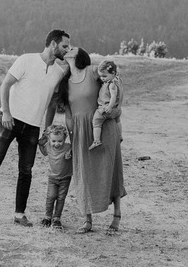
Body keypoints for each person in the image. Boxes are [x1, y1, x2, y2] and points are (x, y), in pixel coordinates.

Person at [0, 29, 71, 227]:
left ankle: (19, 214)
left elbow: (52, 103)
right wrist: (7, 113)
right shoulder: (26, 60)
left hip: (33, 127)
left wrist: (47, 130)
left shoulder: (59, 72)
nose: (67, 50)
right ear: (53, 44)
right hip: (9, 120)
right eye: (64, 46)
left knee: (26, 170)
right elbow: (5, 85)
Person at [45, 47, 126, 235]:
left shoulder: (92, 71)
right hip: (80, 130)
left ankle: (117, 216)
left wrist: (116, 109)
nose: (68, 49)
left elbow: (114, 76)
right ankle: (87, 219)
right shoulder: (64, 82)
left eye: (71, 48)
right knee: (84, 173)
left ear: (78, 55)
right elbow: (68, 115)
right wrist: (71, 138)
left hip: (103, 125)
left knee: (110, 169)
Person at [37, 124, 72, 231]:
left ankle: (57, 218)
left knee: (61, 198)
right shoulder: (48, 146)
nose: (57, 144)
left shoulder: (68, 147)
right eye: (54, 141)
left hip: (65, 178)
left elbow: (75, 150)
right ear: (49, 139)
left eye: (60, 141)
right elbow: (44, 152)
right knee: (51, 196)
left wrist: (70, 153)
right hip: (52, 178)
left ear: (64, 139)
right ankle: (47, 216)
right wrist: (40, 144)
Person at [88, 60, 122, 151]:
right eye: (100, 76)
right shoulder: (116, 80)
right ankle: (119, 135)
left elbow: (113, 96)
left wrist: (109, 107)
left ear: (113, 73)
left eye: (104, 76)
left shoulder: (111, 84)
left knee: (96, 120)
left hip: (106, 107)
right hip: (117, 110)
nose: (102, 78)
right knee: (118, 120)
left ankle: (96, 140)